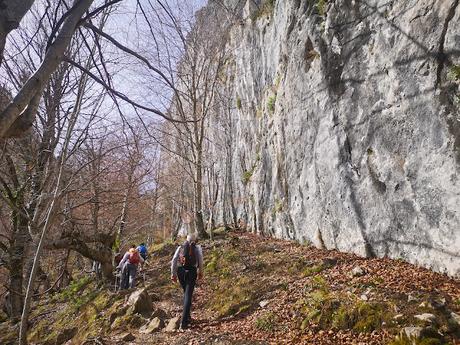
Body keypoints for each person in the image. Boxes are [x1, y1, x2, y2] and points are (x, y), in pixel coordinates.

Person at [170, 233, 203, 330]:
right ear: (195, 240)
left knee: (186, 293)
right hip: (192, 272)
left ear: (186, 239)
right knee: (188, 295)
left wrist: (173, 274)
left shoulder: (180, 247)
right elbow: (200, 260)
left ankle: (187, 317)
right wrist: (200, 272)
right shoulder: (197, 248)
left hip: (181, 271)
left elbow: (174, 260)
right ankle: (183, 323)